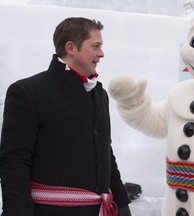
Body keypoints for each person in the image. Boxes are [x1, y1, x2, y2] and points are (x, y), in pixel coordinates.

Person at [0, 17, 131, 216]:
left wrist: (121, 203)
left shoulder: (99, 94)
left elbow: (105, 151)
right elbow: (14, 161)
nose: (101, 53)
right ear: (71, 48)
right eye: (95, 46)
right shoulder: (28, 92)